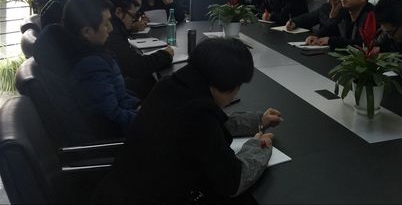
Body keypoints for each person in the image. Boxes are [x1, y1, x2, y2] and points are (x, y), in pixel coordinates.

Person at [94, 38, 282, 204]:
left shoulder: (169, 86)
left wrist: (257, 120)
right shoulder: (199, 116)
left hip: (118, 190)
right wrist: (259, 145)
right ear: (231, 87)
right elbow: (233, 182)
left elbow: (208, 126)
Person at [35, 0, 140, 141]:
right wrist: (149, 118)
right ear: (86, 31)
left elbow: (117, 97)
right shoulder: (90, 66)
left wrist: (141, 107)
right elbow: (111, 121)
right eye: (106, 24)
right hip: (121, 142)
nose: (111, 28)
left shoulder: (76, 51)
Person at [103, 0, 173, 100]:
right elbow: (137, 66)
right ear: (119, 12)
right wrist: (166, 54)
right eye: (133, 16)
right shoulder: (111, 34)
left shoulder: (114, 30)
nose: (134, 21)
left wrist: (130, 29)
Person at [305, 0, 374, 49]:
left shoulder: (372, 16)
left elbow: (364, 43)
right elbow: (331, 28)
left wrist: (331, 41)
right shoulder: (344, 12)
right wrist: (317, 36)